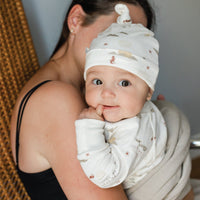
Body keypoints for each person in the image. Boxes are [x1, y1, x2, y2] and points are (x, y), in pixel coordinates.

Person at [9, 0, 193, 199]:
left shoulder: (94, 94)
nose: (124, 48)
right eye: (117, 30)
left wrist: (149, 123)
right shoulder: (55, 100)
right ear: (76, 19)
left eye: (134, 39)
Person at [75, 3, 168, 193]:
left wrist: (88, 128)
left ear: (148, 92)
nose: (107, 93)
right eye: (97, 81)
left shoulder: (131, 129)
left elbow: (106, 177)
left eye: (124, 83)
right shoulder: (134, 108)